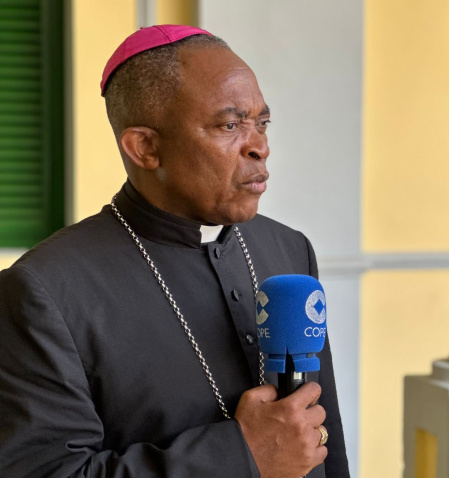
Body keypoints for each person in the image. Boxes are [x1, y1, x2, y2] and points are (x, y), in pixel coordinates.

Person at [0, 25, 349, 478]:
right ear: (145, 147)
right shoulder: (45, 289)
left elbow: (326, 435)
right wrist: (240, 456)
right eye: (229, 124)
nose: (259, 146)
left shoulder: (287, 248)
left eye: (261, 122)